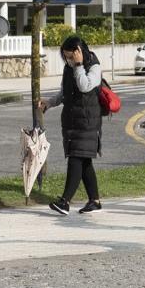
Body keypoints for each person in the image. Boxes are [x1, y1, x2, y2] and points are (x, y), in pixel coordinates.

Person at [39, 36, 105, 215]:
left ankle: (65, 201)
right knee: (84, 162)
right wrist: (49, 103)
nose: (68, 60)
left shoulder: (94, 66)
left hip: (88, 121)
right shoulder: (69, 67)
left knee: (76, 158)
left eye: (71, 56)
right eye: (66, 57)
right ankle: (95, 200)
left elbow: (85, 86)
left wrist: (78, 65)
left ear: (80, 52)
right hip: (71, 120)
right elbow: (64, 92)